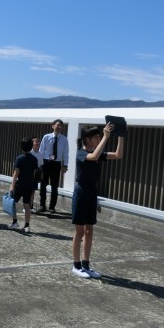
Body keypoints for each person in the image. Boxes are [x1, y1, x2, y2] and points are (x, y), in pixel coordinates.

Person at [71, 122, 125, 279]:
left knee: (89, 229)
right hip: (81, 192)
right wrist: (106, 137)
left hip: (91, 192)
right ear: (88, 139)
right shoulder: (81, 153)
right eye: (97, 136)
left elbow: (118, 155)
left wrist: (121, 136)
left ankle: (86, 264)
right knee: (80, 231)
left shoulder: (96, 153)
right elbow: (93, 156)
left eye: (100, 136)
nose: (99, 138)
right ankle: (76, 265)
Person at [8, 138, 39, 233]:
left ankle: (15, 222)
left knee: (12, 202)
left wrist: (12, 185)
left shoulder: (19, 158)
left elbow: (16, 173)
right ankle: (27, 225)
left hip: (20, 184)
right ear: (31, 147)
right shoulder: (34, 159)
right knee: (27, 205)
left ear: (22, 147)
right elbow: (34, 173)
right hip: (29, 185)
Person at [39, 119, 69, 213]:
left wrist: (65, 165)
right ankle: (42, 205)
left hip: (56, 164)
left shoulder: (64, 139)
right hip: (46, 162)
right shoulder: (46, 137)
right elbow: (41, 150)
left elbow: (66, 153)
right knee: (43, 185)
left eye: (61, 126)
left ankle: (52, 207)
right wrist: (39, 163)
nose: (59, 127)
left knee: (54, 186)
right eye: (57, 125)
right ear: (53, 126)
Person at [29, 136, 44, 213]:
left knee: (33, 191)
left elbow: (40, 165)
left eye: (38, 141)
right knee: (28, 191)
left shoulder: (40, 154)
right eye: (36, 142)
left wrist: (41, 176)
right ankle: (26, 207)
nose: (38, 143)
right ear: (32, 143)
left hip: (36, 175)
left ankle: (30, 206)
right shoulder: (30, 153)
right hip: (29, 174)